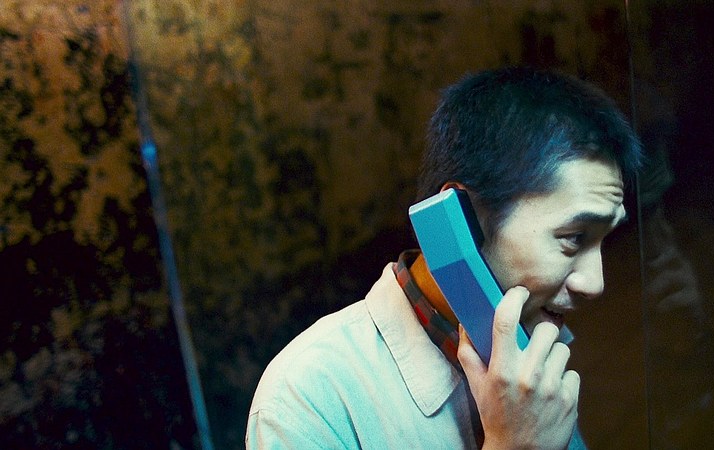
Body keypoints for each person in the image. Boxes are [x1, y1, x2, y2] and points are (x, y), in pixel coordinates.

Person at [246, 66, 643, 449]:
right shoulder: (307, 401)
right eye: (574, 238)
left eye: (603, 240)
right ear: (462, 218)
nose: (595, 283)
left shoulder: (536, 361)